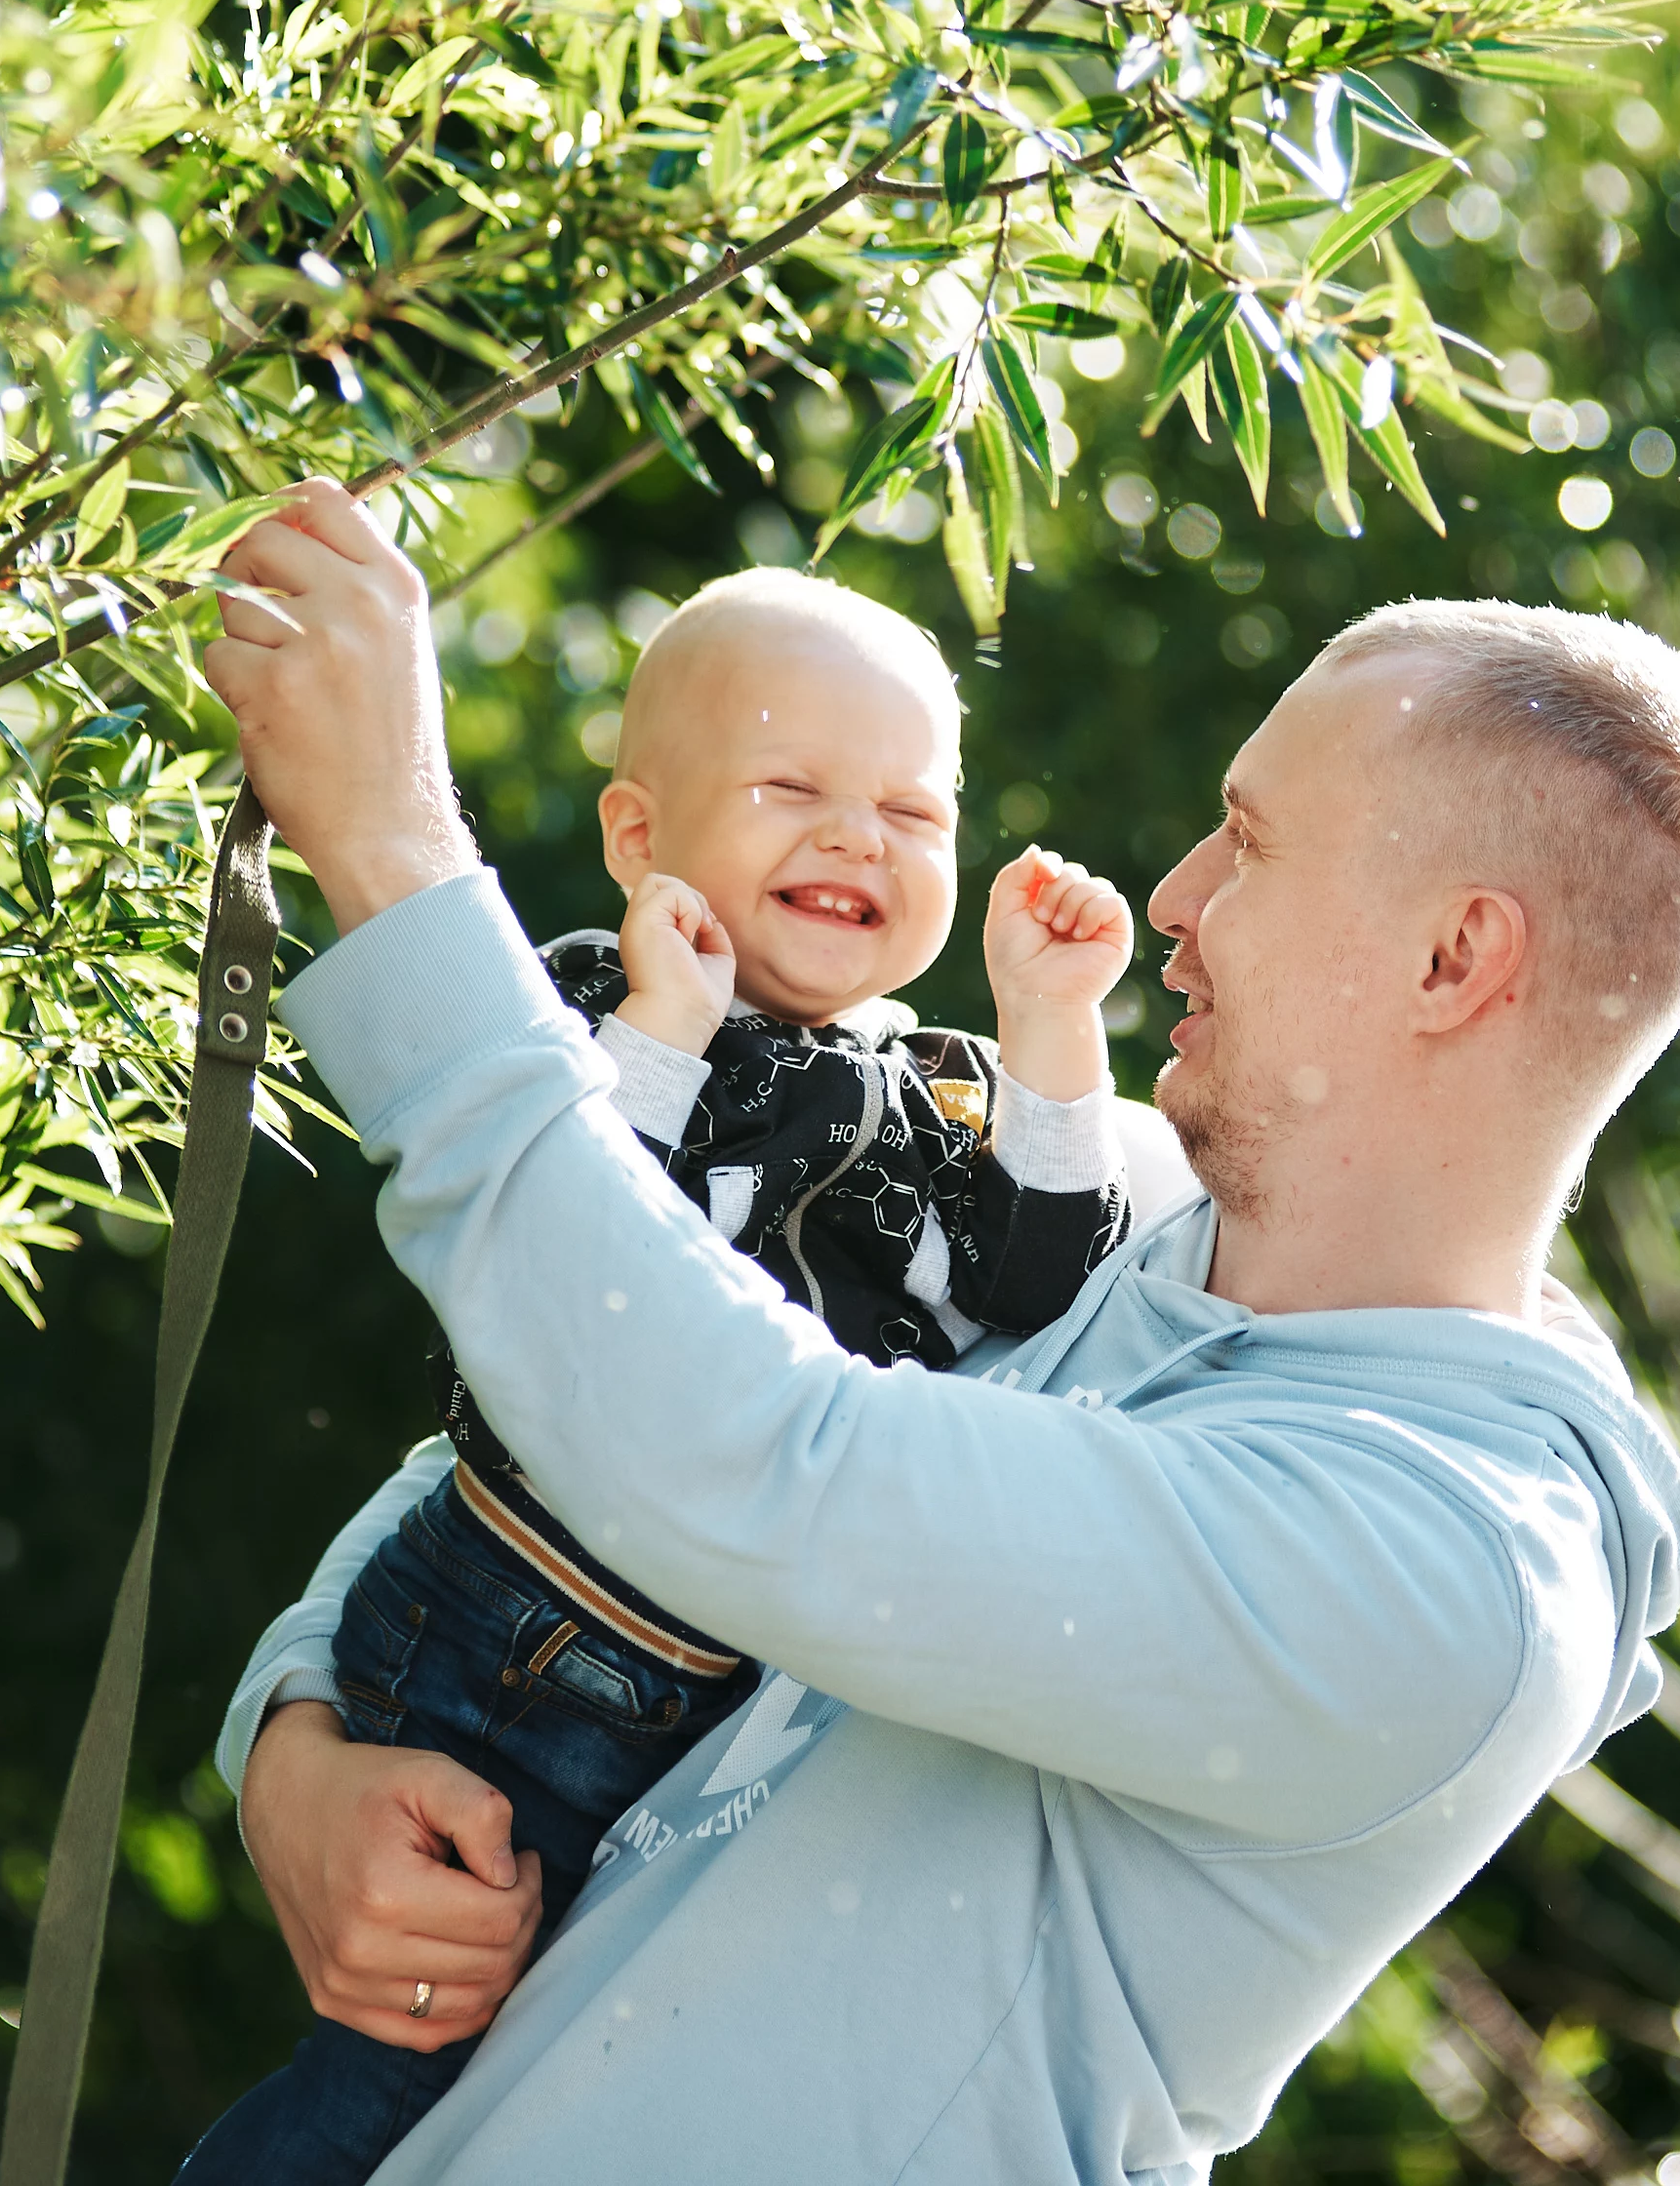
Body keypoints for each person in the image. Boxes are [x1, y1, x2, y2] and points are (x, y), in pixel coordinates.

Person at [191, 480, 1680, 2186]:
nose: (1170, 891)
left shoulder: (1440, 1577)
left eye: (1251, 838)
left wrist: (398, 849)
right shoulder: (1102, 1216)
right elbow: (549, 1409)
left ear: (1456, 954)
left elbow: (758, 1466)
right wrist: (301, 1753)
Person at [180, 570, 1139, 2183]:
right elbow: (553, 1268)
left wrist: (1054, 1031)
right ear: (640, 837)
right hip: (520, 1634)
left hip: (710, 1696)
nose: (856, 838)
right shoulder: (595, 1012)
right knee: (404, 2066)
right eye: (792, 790)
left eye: (911, 809)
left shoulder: (946, 1101)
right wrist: (663, 1032)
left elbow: (1043, 1272)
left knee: (541, 2082)